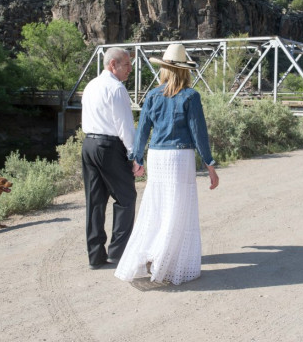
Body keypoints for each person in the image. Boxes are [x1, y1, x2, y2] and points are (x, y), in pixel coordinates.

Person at [114, 43, 219, 285]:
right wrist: (209, 165)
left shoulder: (152, 95)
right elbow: (198, 133)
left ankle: (150, 255)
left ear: (164, 69)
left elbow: (142, 131)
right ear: (185, 71)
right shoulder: (191, 96)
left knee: (156, 207)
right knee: (177, 209)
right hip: (180, 157)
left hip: (158, 156)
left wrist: (137, 159)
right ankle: (166, 261)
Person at [81, 47, 144, 269]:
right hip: (109, 146)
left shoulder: (90, 85)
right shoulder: (116, 89)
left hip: (88, 144)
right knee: (126, 198)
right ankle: (119, 253)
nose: (130, 69)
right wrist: (135, 156)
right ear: (113, 65)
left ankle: (95, 256)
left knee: (95, 202)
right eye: (126, 65)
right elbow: (125, 126)